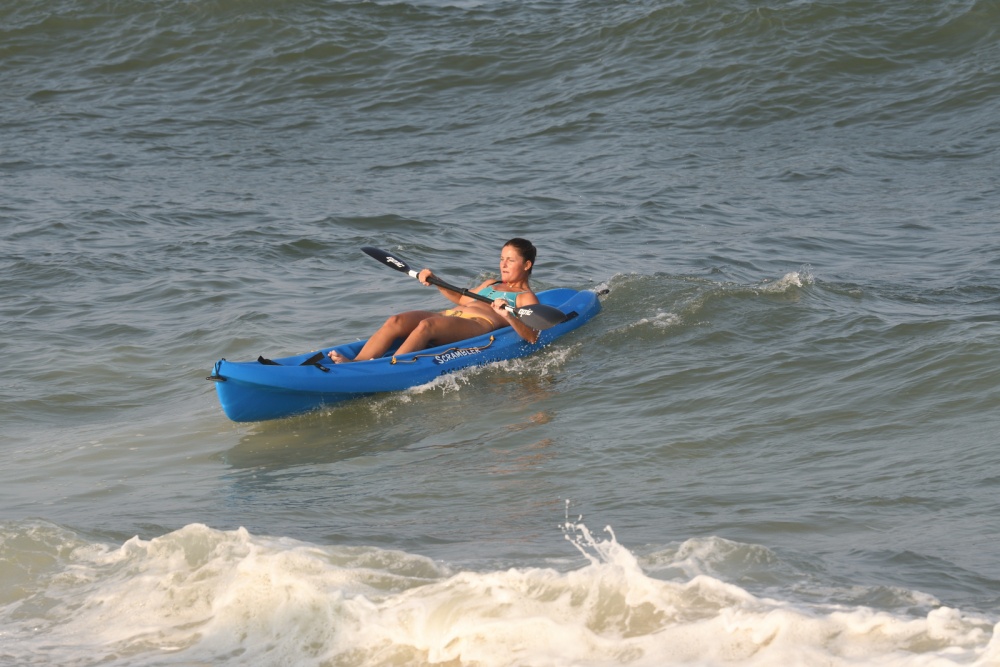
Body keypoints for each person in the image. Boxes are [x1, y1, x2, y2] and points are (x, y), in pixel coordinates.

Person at [328, 238, 541, 362]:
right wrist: (436, 280)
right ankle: (356, 363)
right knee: (396, 321)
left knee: (426, 326)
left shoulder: (525, 297)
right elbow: (461, 298)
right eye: (502, 259)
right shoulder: (491, 283)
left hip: (475, 325)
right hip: (449, 316)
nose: (503, 265)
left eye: (510, 260)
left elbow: (532, 336)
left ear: (526, 265)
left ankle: (390, 367)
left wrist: (508, 315)